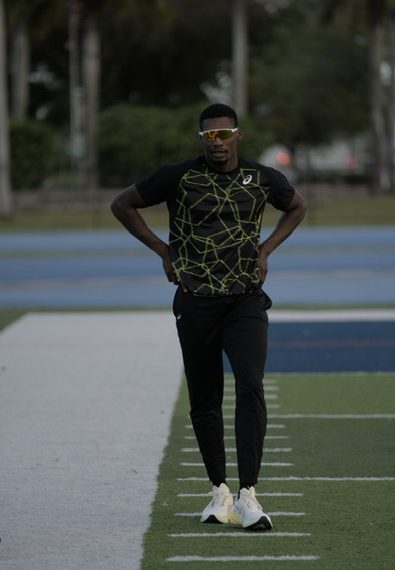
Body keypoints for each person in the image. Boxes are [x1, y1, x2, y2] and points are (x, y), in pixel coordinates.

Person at [111, 103, 306, 531]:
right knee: (204, 397)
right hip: (195, 299)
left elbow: (296, 206)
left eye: (224, 134)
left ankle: (248, 494)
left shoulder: (261, 178)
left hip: (245, 301)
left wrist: (266, 250)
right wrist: (162, 251)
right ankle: (219, 491)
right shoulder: (179, 176)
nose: (217, 142)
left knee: (251, 385)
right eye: (210, 136)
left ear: (238, 135)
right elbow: (122, 204)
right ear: (202, 139)